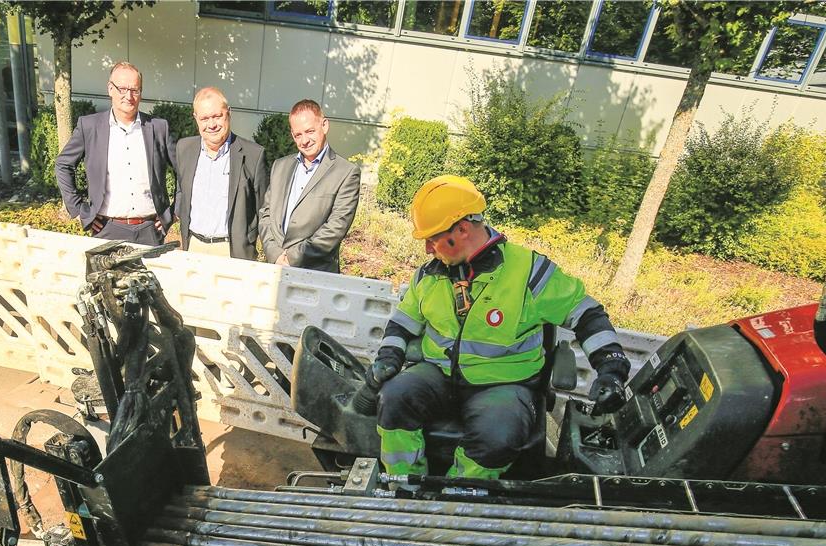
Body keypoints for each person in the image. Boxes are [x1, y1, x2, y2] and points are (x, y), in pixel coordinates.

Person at [367, 175, 631, 480]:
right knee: (395, 396)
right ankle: (404, 486)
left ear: (463, 229)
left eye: (433, 238)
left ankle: (455, 498)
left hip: (503, 385)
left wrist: (611, 368)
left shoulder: (528, 271)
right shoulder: (428, 275)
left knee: (499, 433)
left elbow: (587, 315)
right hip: (438, 375)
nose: (427, 248)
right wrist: (388, 358)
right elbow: (401, 324)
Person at [54, 62, 176, 245]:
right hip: (106, 229)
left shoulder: (158, 128)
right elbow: (63, 164)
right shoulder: (89, 126)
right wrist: (79, 209)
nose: (129, 96)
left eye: (135, 90)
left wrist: (173, 212)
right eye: (122, 89)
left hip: (150, 231)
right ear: (110, 89)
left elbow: (184, 172)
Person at [258, 100, 360, 273]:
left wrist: (292, 257)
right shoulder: (280, 166)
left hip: (315, 272)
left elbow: (336, 227)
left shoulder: (346, 173)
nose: (304, 140)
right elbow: (266, 214)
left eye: (310, 131)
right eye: (298, 135)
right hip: (276, 268)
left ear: (324, 125)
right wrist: (275, 254)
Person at [173, 87, 269, 260]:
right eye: (204, 118)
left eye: (217, 116)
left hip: (232, 251)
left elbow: (263, 208)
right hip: (193, 246)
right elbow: (181, 189)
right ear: (196, 119)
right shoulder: (184, 149)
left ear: (229, 113)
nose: (212, 125)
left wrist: (251, 240)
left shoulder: (253, 155)